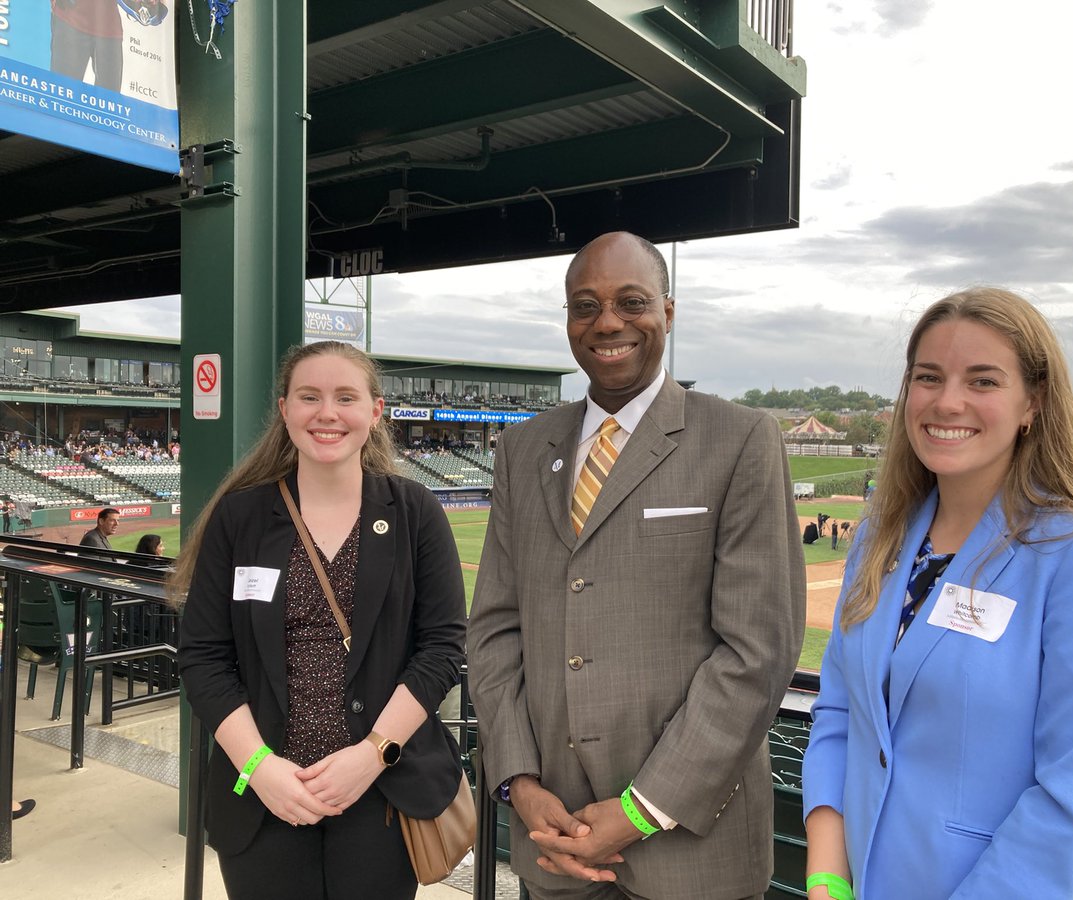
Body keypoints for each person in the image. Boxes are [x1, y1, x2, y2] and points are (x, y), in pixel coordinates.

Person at [467, 231, 807, 900]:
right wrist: (519, 783)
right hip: (555, 841)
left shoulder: (740, 439)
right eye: (585, 305)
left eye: (631, 301)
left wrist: (636, 810)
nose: (608, 323)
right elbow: (495, 631)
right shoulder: (523, 448)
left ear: (668, 312)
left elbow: (757, 651)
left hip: (690, 854)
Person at [802, 287, 1073, 900]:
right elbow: (841, 712)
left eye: (984, 381)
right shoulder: (878, 541)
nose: (948, 401)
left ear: (1033, 404)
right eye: (928, 377)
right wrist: (829, 875)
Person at [175, 341, 467, 900]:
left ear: (375, 412)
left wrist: (371, 755)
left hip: (381, 793)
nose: (326, 413)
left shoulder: (414, 512)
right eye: (309, 397)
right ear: (284, 410)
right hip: (264, 797)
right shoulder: (241, 516)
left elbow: (441, 650)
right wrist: (260, 768)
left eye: (345, 397)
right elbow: (204, 657)